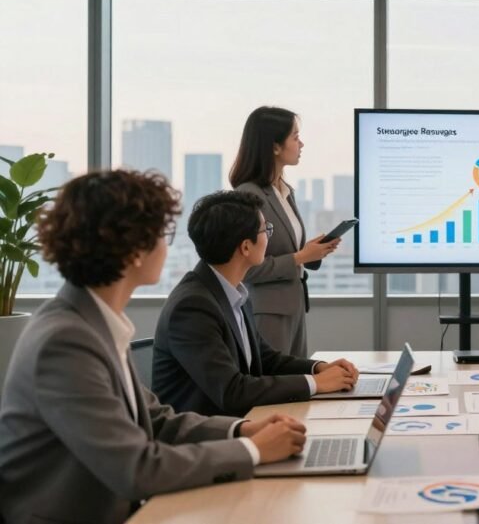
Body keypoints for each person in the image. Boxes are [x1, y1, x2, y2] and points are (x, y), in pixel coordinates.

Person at [0, 170, 307, 524]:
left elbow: (156, 421)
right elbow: (136, 468)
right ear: (132, 249)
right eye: (163, 233)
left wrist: (240, 430)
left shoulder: (91, 322)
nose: (168, 246)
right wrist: (252, 450)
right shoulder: (64, 342)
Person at [153, 191, 360, 417]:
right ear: (245, 247)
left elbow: (266, 359)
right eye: (266, 229)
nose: (268, 237)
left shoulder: (232, 292)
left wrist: (318, 368)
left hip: (242, 422)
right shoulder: (193, 308)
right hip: (205, 439)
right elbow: (233, 392)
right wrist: (316, 383)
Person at [230, 106, 340, 357]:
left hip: (294, 306)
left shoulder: (284, 191)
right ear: (275, 146)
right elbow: (247, 267)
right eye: (295, 137)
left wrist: (311, 251)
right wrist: (300, 257)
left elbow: (286, 250)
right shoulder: (249, 195)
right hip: (267, 310)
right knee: (275, 385)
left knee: (297, 383)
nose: (301, 144)